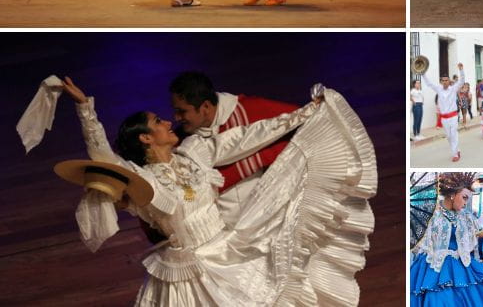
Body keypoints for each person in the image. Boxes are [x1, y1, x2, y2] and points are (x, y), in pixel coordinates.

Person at [59, 78, 376, 306]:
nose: (169, 122)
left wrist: (304, 114)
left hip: (228, 254)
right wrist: (86, 109)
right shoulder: (144, 181)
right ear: (145, 138)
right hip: (186, 275)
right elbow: (104, 159)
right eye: (158, 121)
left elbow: (249, 136)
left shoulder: (195, 150)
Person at [410, 173, 483, 306]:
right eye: (464, 198)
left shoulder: (465, 217)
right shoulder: (431, 214)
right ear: (452, 194)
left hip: (457, 265)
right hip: (432, 266)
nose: (465, 202)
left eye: (467, 199)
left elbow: (480, 232)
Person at [422, 63, 465, 162]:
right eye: (443, 80)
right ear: (441, 81)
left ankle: (455, 155)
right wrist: (423, 73)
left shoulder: (453, 89)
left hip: (453, 116)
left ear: (449, 81)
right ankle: (457, 150)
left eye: (446, 80)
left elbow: (462, 81)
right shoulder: (438, 89)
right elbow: (428, 83)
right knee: (449, 137)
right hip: (444, 118)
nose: (445, 82)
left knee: (453, 134)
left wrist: (461, 70)